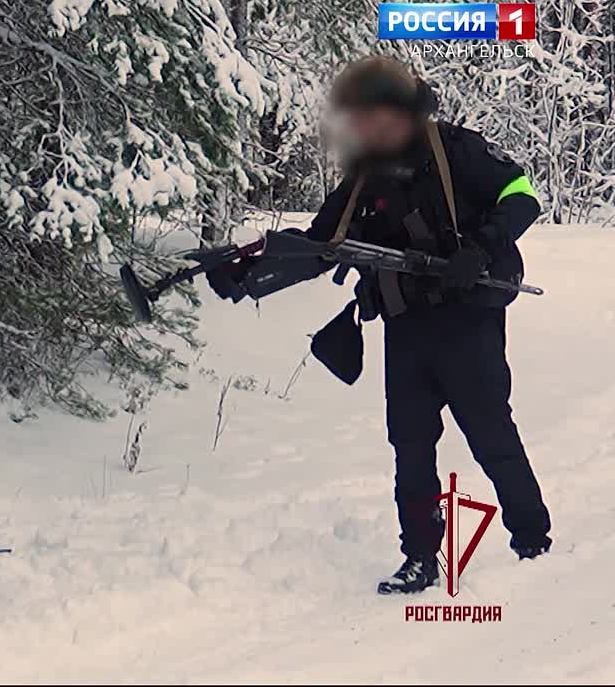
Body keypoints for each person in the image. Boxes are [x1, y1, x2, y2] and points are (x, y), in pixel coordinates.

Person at [208, 56, 552, 595]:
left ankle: (532, 539)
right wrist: (249, 273)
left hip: (466, 320)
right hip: (407, 325)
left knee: (489, 434)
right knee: (411, 444)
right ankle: (419, 556)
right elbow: (321, 244)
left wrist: (481, 249)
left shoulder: (456, 149)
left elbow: (522, 194)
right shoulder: (366, 175)